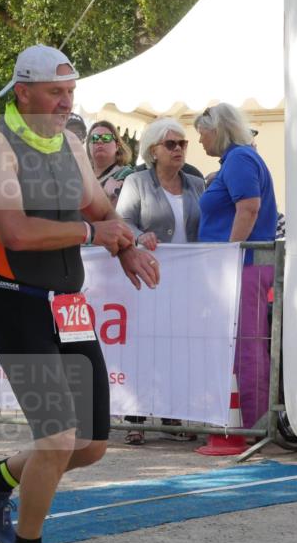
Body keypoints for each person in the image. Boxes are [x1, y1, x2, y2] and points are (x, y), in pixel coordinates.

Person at [0, 44, 159, 543]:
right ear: (22, 92)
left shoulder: (72, 143)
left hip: (67, 304)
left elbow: (99, 210)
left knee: (90, 444)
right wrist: (93, 235)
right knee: (55, 438)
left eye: (71, 92)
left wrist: (126, 247)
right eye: (54, 92)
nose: (65, 102)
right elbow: (18, 233)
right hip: (13, 296)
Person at [116, 117, 206, 445]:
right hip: (150, 276)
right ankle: (135, 419)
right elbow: (123, 220)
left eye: (183, 143)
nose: (179, 149)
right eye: (171, 144)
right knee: (146, 346)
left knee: (178, 347)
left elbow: (206, 223)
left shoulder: (196, 183)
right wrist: (141, 236)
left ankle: (172, 414)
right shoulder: (137, 182)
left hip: (188, 280)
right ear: (154, 150)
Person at [195, 103, 278, 430]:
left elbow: (249, 208)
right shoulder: (239, 160)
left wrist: (230, 252)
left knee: (247, 345)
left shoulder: (240, 159)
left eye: (202, 133)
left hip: (245, 266)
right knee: (249, 344)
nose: (200, 141)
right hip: (247, 265)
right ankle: (253, 419)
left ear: (217, 130)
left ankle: (255, 422)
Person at [86, 120, 134, 207]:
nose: (99, 141)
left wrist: (114, 195)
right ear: (88, 146)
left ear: (117, 145)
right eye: (94, 138)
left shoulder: (127, 176)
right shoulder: (81, 176)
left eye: (106, 138)